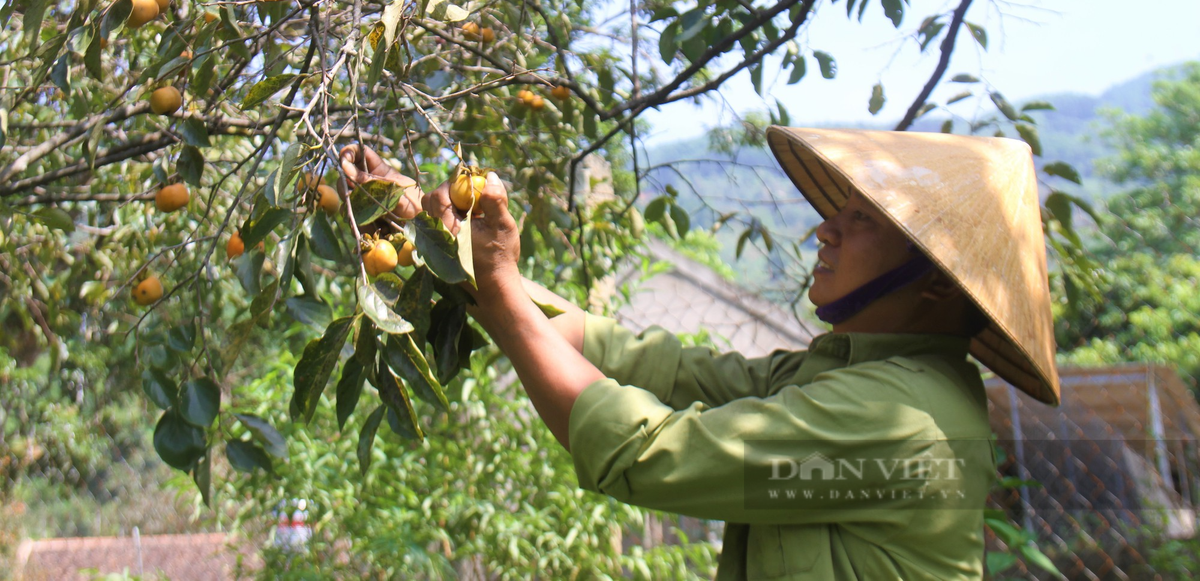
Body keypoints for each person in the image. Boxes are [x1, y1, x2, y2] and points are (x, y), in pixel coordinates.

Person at [339, 125, 1060, 580]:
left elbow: (644, 452)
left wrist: (498, 292)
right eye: (836, 215)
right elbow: (661, 369)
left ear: (933, 287)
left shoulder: (899, 414)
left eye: (861, 221)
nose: (825, 234)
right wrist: (439, 241)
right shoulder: (857, 376)